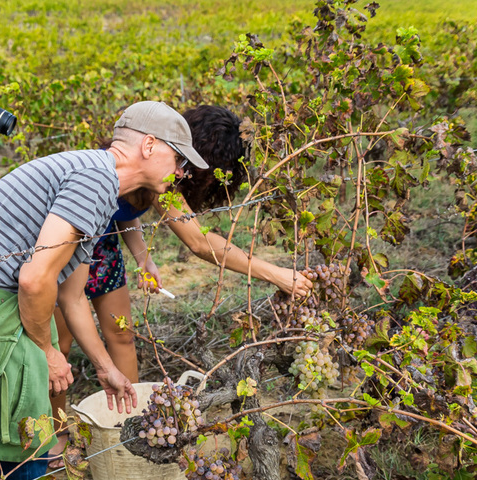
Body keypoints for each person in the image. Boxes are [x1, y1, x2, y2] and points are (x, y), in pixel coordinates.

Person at [0, 101, 208, 479]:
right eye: (178, 159)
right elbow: (34, 279)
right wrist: (47, 351)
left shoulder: (96, 179)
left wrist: (105, 369)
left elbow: (71, 296)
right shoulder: (95, 180)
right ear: (150, 146)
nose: (181, 172)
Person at [47, 106, 313, 467]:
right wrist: (277, 274)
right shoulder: (157, 171)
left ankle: (130, 425)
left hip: (105, 242)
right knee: (56, 347)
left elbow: (126, 213)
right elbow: (200, 243)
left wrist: (142, 257)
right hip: (64, 242)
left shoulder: (156, 176)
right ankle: (56, 433)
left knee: (122, 336)